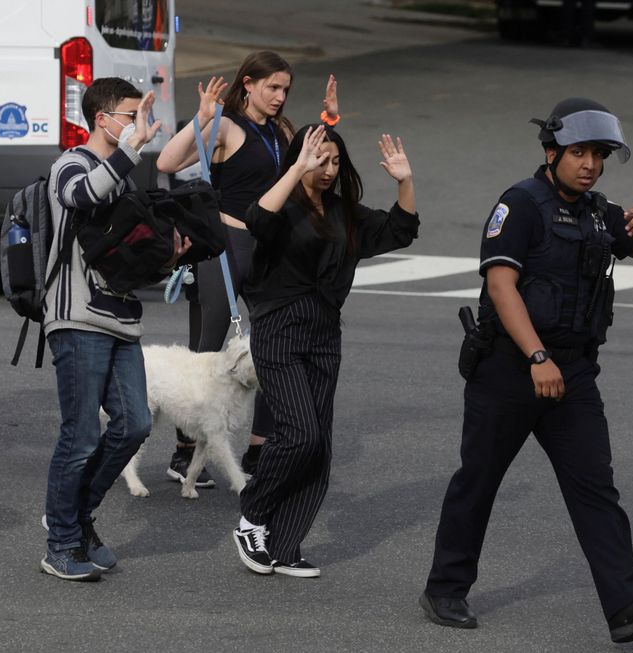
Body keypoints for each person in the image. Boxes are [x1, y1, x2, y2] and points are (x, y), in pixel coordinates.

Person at [419, 98, 633, 643]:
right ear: (552, 153)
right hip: (510, 369)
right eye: (579, 153)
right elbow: (501, 286)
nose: (589, 163)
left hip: (574, 373)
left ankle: (628, 604)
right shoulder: (519, 205)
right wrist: (537, 357)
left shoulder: (598, 212)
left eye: (598, 155)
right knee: (478, 482)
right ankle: (445, 589)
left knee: (595, 487)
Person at [231, 125, 418, 578]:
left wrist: (404, 181)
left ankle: (284, 544)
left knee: (318, 447)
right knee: (299, 434)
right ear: (302, 160)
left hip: (324, 333)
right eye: (321, 161)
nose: (329, 171)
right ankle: (252, 516)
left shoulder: (345, 213)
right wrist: (297, 170)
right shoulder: (285, 204)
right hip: (278, 328)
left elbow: (401, 230)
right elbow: (256, 220)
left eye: (335, 162)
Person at [157, 52, 338, 488]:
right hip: (225, 246)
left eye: (285, 90)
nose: (279, 97)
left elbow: (316, 161)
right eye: (272, 88)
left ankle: (258, 449)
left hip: (270, 248)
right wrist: (200, 119)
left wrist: (329, 123)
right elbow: (166, 162)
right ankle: (185, 453)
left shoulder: (282, 130)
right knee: (209, 349)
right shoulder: (226, 124)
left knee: (276, 345)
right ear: (249, 84)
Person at [40, 77, 190, 582]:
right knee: (81, 436)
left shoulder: (122, 177)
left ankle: (76, 519)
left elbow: (129, 256)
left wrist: (170, 255)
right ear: (102, 118)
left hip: (123, 320)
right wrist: (130, 151)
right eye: (129, 115)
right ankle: (60, 542)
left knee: (135, 425)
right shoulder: (72, 164)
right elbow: (81, 196)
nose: (136, 125)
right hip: (77, 318)